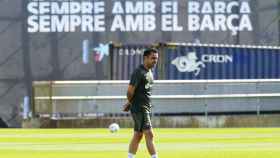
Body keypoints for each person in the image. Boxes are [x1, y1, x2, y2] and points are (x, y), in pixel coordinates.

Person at [123, 48, 159, 158]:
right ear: (145, 58)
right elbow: (130, 91)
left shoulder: (149, 72)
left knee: (138, 135)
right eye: (153, 58)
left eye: (156, 58)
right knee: (149, 134)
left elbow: (141, 91)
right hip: (140, 108)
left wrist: (130, 103)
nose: (155, 61)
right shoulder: (139, 72)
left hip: (144, 107)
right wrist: (130, 102)